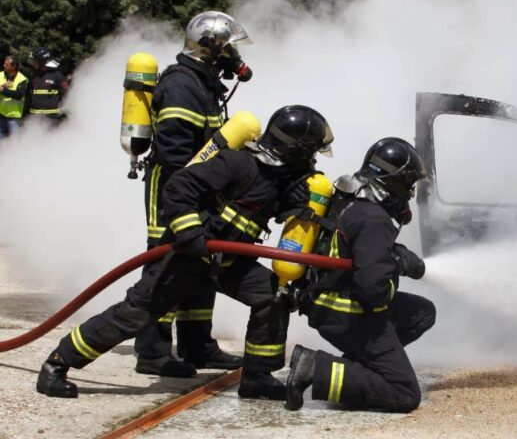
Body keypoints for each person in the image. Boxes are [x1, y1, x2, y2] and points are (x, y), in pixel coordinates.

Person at [36, 105, 335, 399]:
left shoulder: (277, 179)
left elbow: (264, 206)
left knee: (271, 297)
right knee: (134, 315)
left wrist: (295, 204)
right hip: (188, 258)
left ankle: (257, 377)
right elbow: (179, 186)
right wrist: (191, 232)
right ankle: (57, 363)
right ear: (295, 150)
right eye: (309, 152)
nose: (310, 160)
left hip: (228, 262)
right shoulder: (236, 163)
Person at [135, 11, 255, 377]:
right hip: (174, 186)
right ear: (213, 50)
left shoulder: (202, 84)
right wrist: (187, 197)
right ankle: (153, 352)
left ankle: (196, 345)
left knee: (202, 263)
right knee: (166, 263)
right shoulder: (182, 85)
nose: (236, 59)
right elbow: (175, 152)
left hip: (197, 187)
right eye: (230, 51)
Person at [285, 137, 436, 413]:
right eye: (408, 186)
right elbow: (373, 290)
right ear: (393, 184)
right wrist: (397, 266)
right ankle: (316, 368)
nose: (409, 194)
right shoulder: (375, 219)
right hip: (348, 313)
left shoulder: (351, 200)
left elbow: (357, 250)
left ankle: (355, 372)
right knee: (403, 393)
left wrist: (392, 253)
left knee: (422, 312)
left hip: (327, 299)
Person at [26, 47, 69, 121]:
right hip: (35, 119)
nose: (32, 63)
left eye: (34, 61)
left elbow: (66, 95)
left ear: (41, 61)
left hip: (53, 119)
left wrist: (65, 113)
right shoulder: (34, 76)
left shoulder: (57, 76)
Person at [0, 56, 28, 137]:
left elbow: (19, 95)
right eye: (4, 63)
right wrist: (3, 85)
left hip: (14, 117)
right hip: (1, 115)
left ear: (13, 66)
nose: (4, 65)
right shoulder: (0, 75)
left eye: (6, 64)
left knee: (15, 142)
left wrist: (2, 90)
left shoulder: (21, 79)